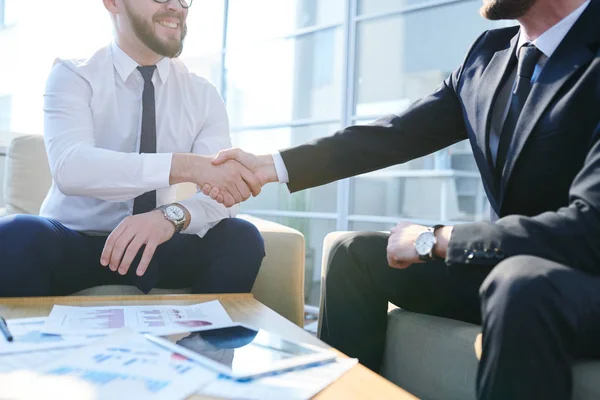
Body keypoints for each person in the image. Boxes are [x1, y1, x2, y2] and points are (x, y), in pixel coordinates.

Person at [203, 0, 600, 398]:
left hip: (578, 278)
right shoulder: (488, 55)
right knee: (351, 252)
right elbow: (394, 135)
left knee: (519, 284)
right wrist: (270, 166)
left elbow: (590, 226)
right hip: (506, 267)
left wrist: (438, 240)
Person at [0, 0, 265, 298]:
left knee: (242, 239)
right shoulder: (74, 75)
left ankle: (203, 344)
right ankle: (38, 345)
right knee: (14, 236)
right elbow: (70, 167)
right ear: (113, 3)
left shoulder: (203, 94)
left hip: (157, 240)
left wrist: (171, 216)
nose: (177, 6)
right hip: (78, 243)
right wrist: (185, 166)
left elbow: (224, 197)